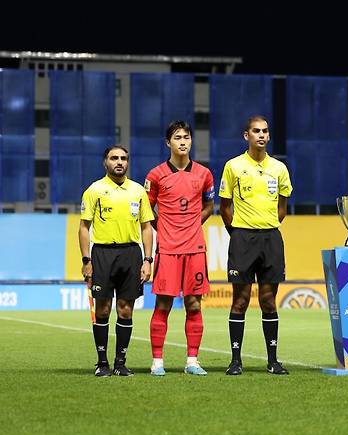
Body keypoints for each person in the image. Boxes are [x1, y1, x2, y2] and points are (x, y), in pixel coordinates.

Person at [219, 115, 293, 375]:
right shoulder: (233, 166)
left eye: (265, 131)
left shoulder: (279, 169)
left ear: (269, 136)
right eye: (255, 131)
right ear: (246, 135)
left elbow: (282, 208)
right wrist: (238, 232)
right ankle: (235, 360)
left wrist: (266, 225)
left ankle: (272, 361)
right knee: (239, 300)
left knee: (268, 301)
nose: (261, 135)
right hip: (243, 239)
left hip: (271, 238)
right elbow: (224, 208)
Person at [145, 121, 215, 376]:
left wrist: (195, 222)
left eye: (186, 137)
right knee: (163, 304)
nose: (182, 141)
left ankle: (192, 361)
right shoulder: (155, 176)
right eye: (177, 137)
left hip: (195, 248)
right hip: (168, 249)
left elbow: (209, 205)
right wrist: (161, 226)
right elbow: (146, 210)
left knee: (194, 304)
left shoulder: (204, 174)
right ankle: (157, 362)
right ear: (168, 143)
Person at [79, 145, 154, 377]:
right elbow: (83, 227)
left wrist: (148, 259)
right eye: (114, 158)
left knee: (125, 310)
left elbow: (147, 227)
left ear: (128, 162)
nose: (119, 162)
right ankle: (102, 363)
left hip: (131, 255)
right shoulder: (94, 190)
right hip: (102, 254)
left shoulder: (138, 191)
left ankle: (120, 363)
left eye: (123, 158)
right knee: (102, 309)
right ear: (105, 162)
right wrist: (86, 260)